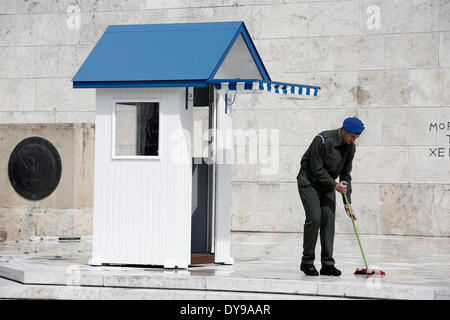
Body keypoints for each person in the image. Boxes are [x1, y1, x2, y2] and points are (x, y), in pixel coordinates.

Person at [296, 117, 364, 276]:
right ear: (344, 130)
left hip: (328, 185)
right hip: (309, 182)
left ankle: (327, 264)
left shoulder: (350, 148)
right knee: (315, 218)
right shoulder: (322, 140)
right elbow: (316, 169)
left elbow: (345, 175)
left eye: (356, 138)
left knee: (328, 220)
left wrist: (348, 203)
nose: (353, 140)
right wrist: (335, 186)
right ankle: (306, 262)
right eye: (352, 136)